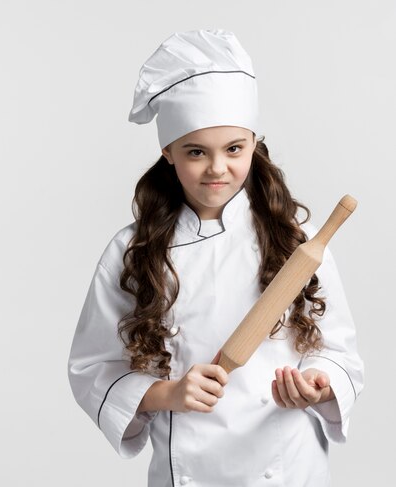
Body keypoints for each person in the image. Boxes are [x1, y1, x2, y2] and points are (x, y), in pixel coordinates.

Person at [67, 29, 364, 487]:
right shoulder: (134, 252)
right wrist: (167, 393)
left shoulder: (295, 242)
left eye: (233, 149)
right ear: (167, 152)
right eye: (195, 152)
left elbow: (339, 352)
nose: (217, 168)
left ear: (252, 143)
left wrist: (318, 385)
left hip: (288, 465)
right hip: (191, 472)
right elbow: (92, 368)